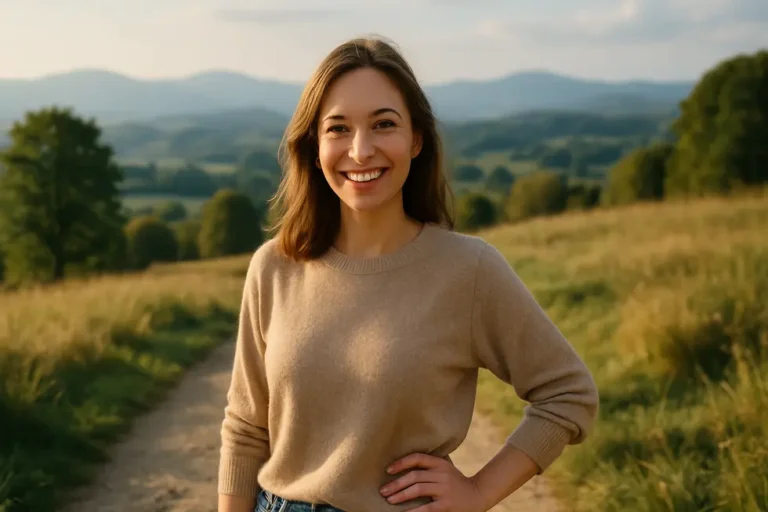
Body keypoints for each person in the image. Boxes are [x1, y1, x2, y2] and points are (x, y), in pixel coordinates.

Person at [217, 36, 599, 512]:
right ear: (314, 146)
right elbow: (246, 426)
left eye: (383, 124)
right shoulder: (274, 266)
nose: (361, 150)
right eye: (338, 128)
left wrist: (479, 491)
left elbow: (568, 393)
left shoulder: (469, 269)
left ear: (416, 139)